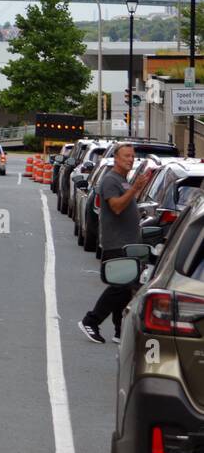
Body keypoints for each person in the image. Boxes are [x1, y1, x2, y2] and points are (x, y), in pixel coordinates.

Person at [80, 142, 153, 345]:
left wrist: (138, 188)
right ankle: (91, 320)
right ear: (116, 158)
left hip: (128, 243)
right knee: (120, 286)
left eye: (132, 156)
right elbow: (117, 207)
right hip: (117, 243)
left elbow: (128, 202)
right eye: (126, 156)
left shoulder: (123, 180)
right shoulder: (111, 180)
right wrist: (135, 189)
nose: (130, 159)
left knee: (125, 288)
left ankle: (120, 330)